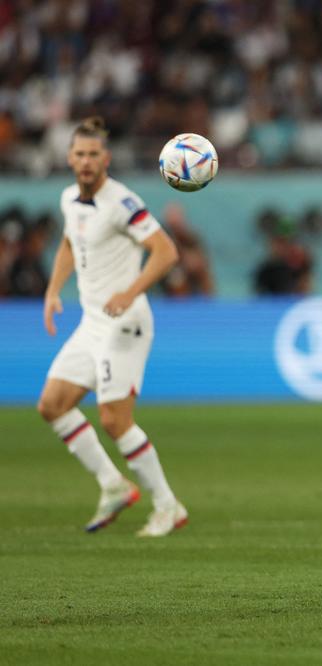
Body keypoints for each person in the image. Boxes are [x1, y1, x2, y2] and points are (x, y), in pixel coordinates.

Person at [36, 117, 188, 537]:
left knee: (113, 419)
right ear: (69, 158)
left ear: (106, 158)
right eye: (79, 154)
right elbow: (70, 242)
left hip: (126, 322)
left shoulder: (122, 203)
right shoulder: (70, 199)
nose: (86, 162)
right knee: (52, 404)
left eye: (93, 155)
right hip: (92, 322)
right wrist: (53, 290)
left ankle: (167, 506)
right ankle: (112, 484)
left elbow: (165, 251)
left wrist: (131, 291)